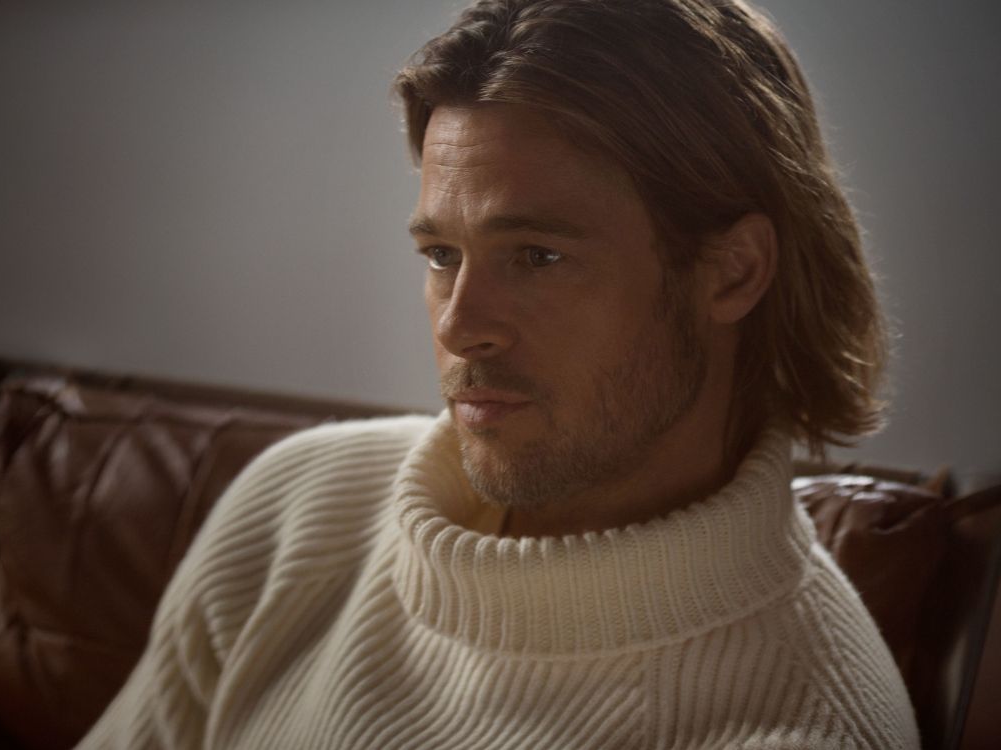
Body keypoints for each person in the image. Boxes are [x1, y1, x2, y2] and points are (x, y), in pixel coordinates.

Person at [80, 0, 919, 747]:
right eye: (442, 255)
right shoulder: (301, 502)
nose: (459, 325)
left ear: (732, 271)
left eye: (537, 255)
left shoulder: (807, 726)